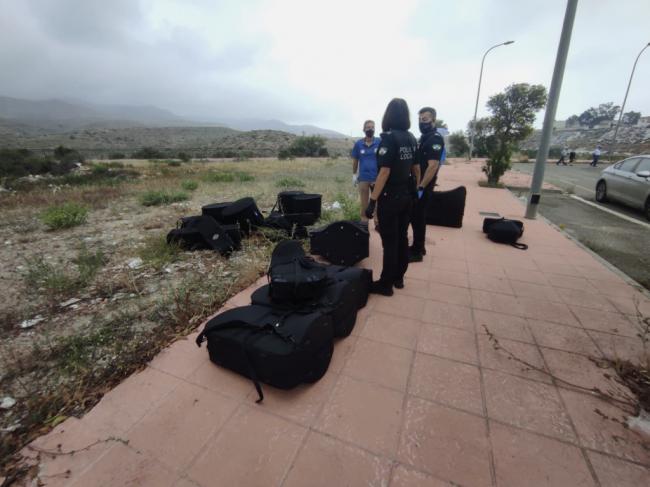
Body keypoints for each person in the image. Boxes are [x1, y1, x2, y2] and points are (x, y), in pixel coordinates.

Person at [364, 98, 420, 296]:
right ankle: (399, 278)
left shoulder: (389, 139)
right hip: (407, 195)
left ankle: (385, 284)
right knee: (402, 238)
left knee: (390, 241)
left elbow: (384, 172)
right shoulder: (411, 138)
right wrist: (417, 189)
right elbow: (416, 168)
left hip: (391, 197)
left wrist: (372, 202)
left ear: (388, 116)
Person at [408, 107, 445, 263]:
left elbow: (433, 165)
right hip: (419, 184)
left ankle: (417, 252)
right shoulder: (425, 137)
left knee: (418, 217)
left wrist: (421, 186)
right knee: (416, 217)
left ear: (433, 120)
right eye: (420, 119)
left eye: (425, 119)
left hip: (423, 186)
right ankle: (419, 246)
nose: (421, 122)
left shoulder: (435, 138)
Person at [351, 120, 380, 227]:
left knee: (377, 201)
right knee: (364, 202)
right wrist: (354, 174)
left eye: (372, 127)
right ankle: (364, 223)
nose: (370, 129)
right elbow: (355, 160)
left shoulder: (379, 142)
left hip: (376, 178)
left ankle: (377, 223)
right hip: (363, 178)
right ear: (364, 129)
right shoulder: (358, 144)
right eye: (368, 127)